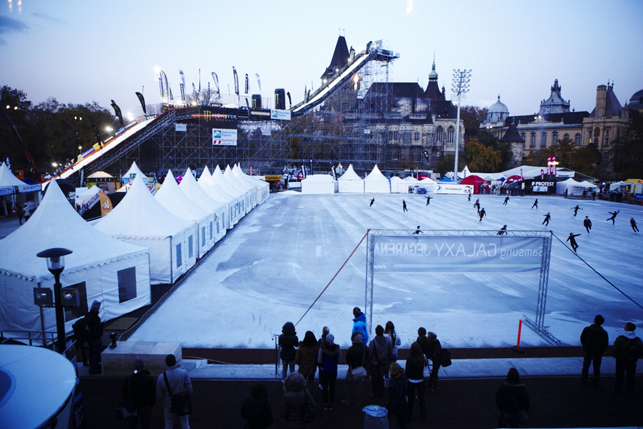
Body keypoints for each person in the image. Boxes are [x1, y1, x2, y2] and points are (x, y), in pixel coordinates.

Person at [157, 354, 193, 429]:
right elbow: (189, 389)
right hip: (183, 402)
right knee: (185, 423)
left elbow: (159, 394)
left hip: (168, 403)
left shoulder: (161, 377)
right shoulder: (184, 373)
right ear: (175, 361)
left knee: (168, 424)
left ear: (166, 363)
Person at [122, 358, 156, 429]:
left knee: (132, 425)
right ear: (142, 366)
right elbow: (153, 393)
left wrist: (128, 401)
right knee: (146, 424)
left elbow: (124, 393)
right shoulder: (149, 378)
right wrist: (151, 404)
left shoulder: (129, 379)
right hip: (145, 405)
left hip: (132, 405)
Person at [612, 322, 643, 394]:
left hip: (621, 360)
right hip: (632, 361)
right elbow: (640, 351)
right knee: (631, 376)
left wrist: (617, 355)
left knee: (619, 375)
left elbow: (615, 349)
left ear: (626, 328)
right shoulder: (638, 340)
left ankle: (617, 389)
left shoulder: (620, 339)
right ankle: (630, 390)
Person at [580, 315, 609, 386]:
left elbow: (582, 338)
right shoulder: (604, 332)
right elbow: (605, 344)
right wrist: (601, 351)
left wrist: (585, 347)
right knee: (596, 368)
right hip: (598, 352)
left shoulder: (587, 329)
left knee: (586, 366)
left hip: (588, 351)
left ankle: (584, 380)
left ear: (594, 320)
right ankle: (595, 381)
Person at [341, 332, 368, 407]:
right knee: (359, 386)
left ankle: (348, 400)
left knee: (348, 385)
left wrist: (351, 366)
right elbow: (367, 358)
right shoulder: (365, 348)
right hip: (361, 369)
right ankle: (357, 401)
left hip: (352, 369)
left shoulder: (351, 349)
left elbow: (348, 359)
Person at [368, 324, 392, 398]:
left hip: (374, 363)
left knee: (374, 379)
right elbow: (390, 352)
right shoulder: (388, 341)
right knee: (381, 378)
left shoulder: (372, 343)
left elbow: (370, 354)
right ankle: (382, 392)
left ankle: (375, 394)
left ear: (376, 332)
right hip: (383, 363)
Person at [318, 333, 340, 410]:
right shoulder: (337, 348)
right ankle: (331, 403)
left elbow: (319, 360)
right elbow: (339, 360)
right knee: (332, 386)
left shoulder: (322, 348)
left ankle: (326, 403)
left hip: (324, 369)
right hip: (333, 370)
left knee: (325, 386)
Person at [405, 342, 427, 421]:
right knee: (421, 398)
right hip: (421, 380)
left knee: (410, 399)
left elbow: (407, 370)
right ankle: (423, 415)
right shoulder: (423, 356)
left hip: (411, 380)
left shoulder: (410, 358)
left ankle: (408, 416)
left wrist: (407, 377)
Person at [387, 362, 408, 429]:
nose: (389, 371)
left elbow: (397, 396)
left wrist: (393, 407)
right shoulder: (399, 379)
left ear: (394, 371)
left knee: (401, 421)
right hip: (398, 403)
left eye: (390, 370)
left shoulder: (398, 382)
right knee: (401, 421)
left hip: (399, 405)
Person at [86, 300, 103, 374]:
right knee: (97, 352)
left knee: (91, 352)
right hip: (95, 338)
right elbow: (97, 328)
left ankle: (92, 365)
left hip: (89, 338)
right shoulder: (95, 318)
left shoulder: (87, 315)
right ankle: (93, 368)